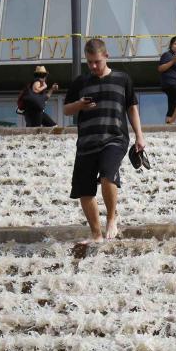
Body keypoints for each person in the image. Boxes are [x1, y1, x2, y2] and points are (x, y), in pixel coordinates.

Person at [63, 38, 146, 246]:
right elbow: (66, 110)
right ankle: (96, 234)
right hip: (86, 141)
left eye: (97, 62)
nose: (93, 66)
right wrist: (79, 105)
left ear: (106, 57)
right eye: (89, 62)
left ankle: (111, 218)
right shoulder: (80, 83)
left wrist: (139, 136)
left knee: (108, 176)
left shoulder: (122, 79)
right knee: (84, 190)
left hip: (115, 138)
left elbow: (132, 108)